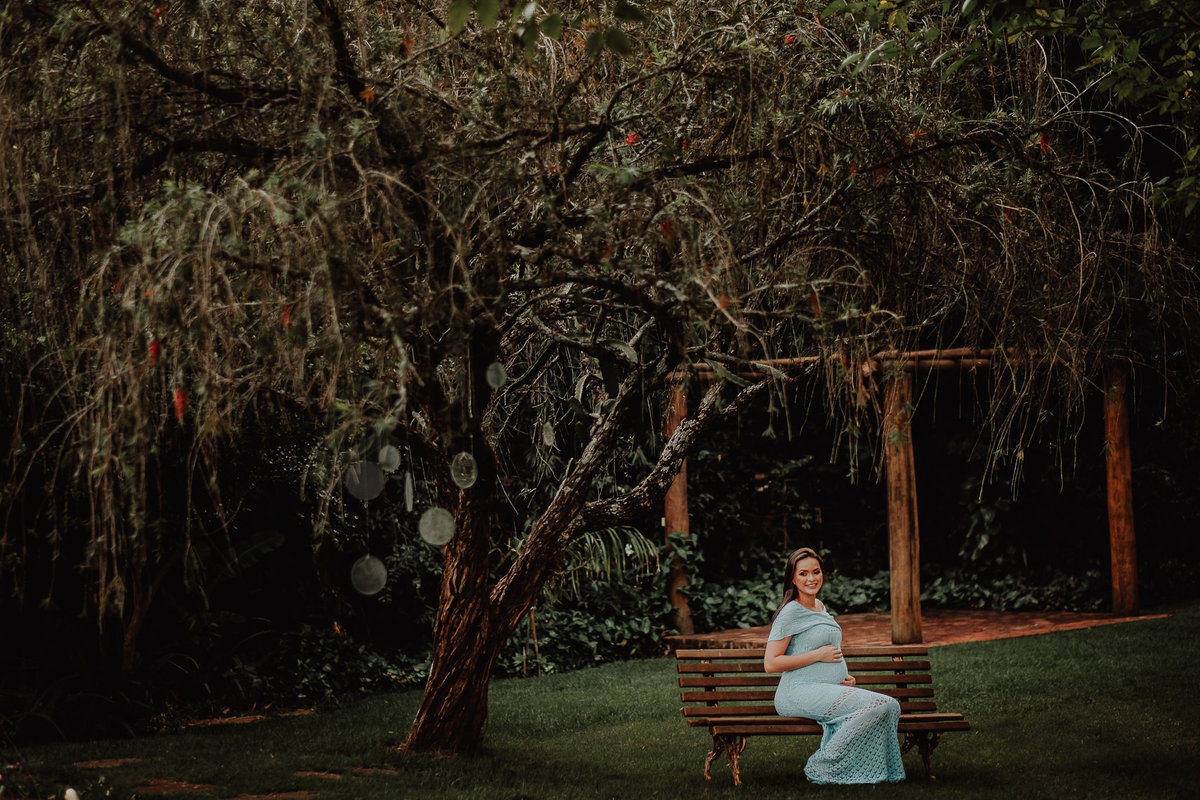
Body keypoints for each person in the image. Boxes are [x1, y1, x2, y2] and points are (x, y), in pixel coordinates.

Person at [763, 547, 905, 784]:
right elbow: (771, 663)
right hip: (797, 692)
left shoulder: (819, 606)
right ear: (792, 579)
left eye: (816, 572)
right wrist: (818, 655)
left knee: (890, 707)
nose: (811, 579)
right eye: (803, 574)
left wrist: (844, 677)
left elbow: (831, 650)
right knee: (884, 705)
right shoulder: (790, 613)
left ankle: (849, 765)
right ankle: (823, 764)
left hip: (824, 687)